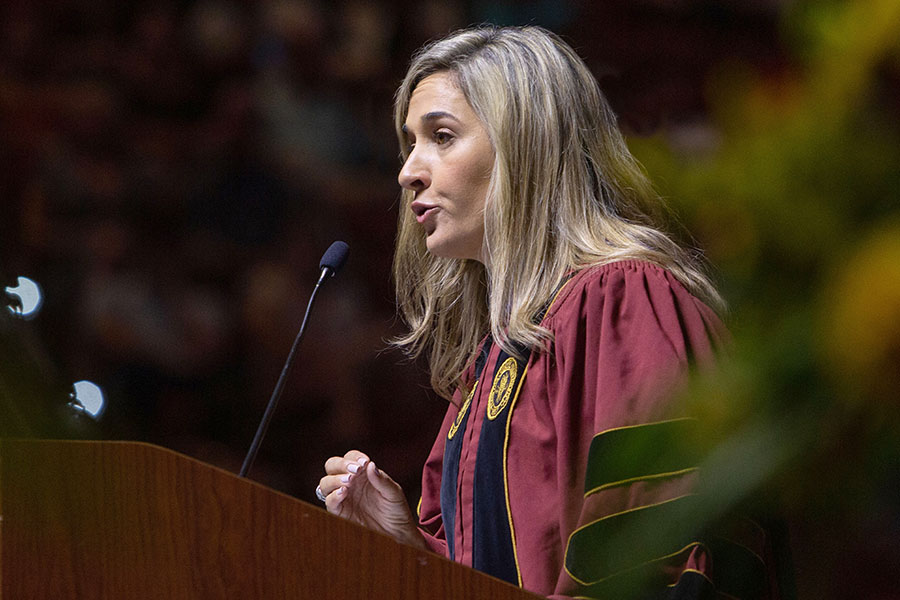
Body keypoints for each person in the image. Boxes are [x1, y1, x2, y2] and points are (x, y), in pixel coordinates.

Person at [317, 25, 777, 599]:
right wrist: (413, 550)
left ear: (525, 145)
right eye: (410, 142)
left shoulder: (623, 300)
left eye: (441, 135)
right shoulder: (496, 360)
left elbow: (660, 555)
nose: (409, 169)